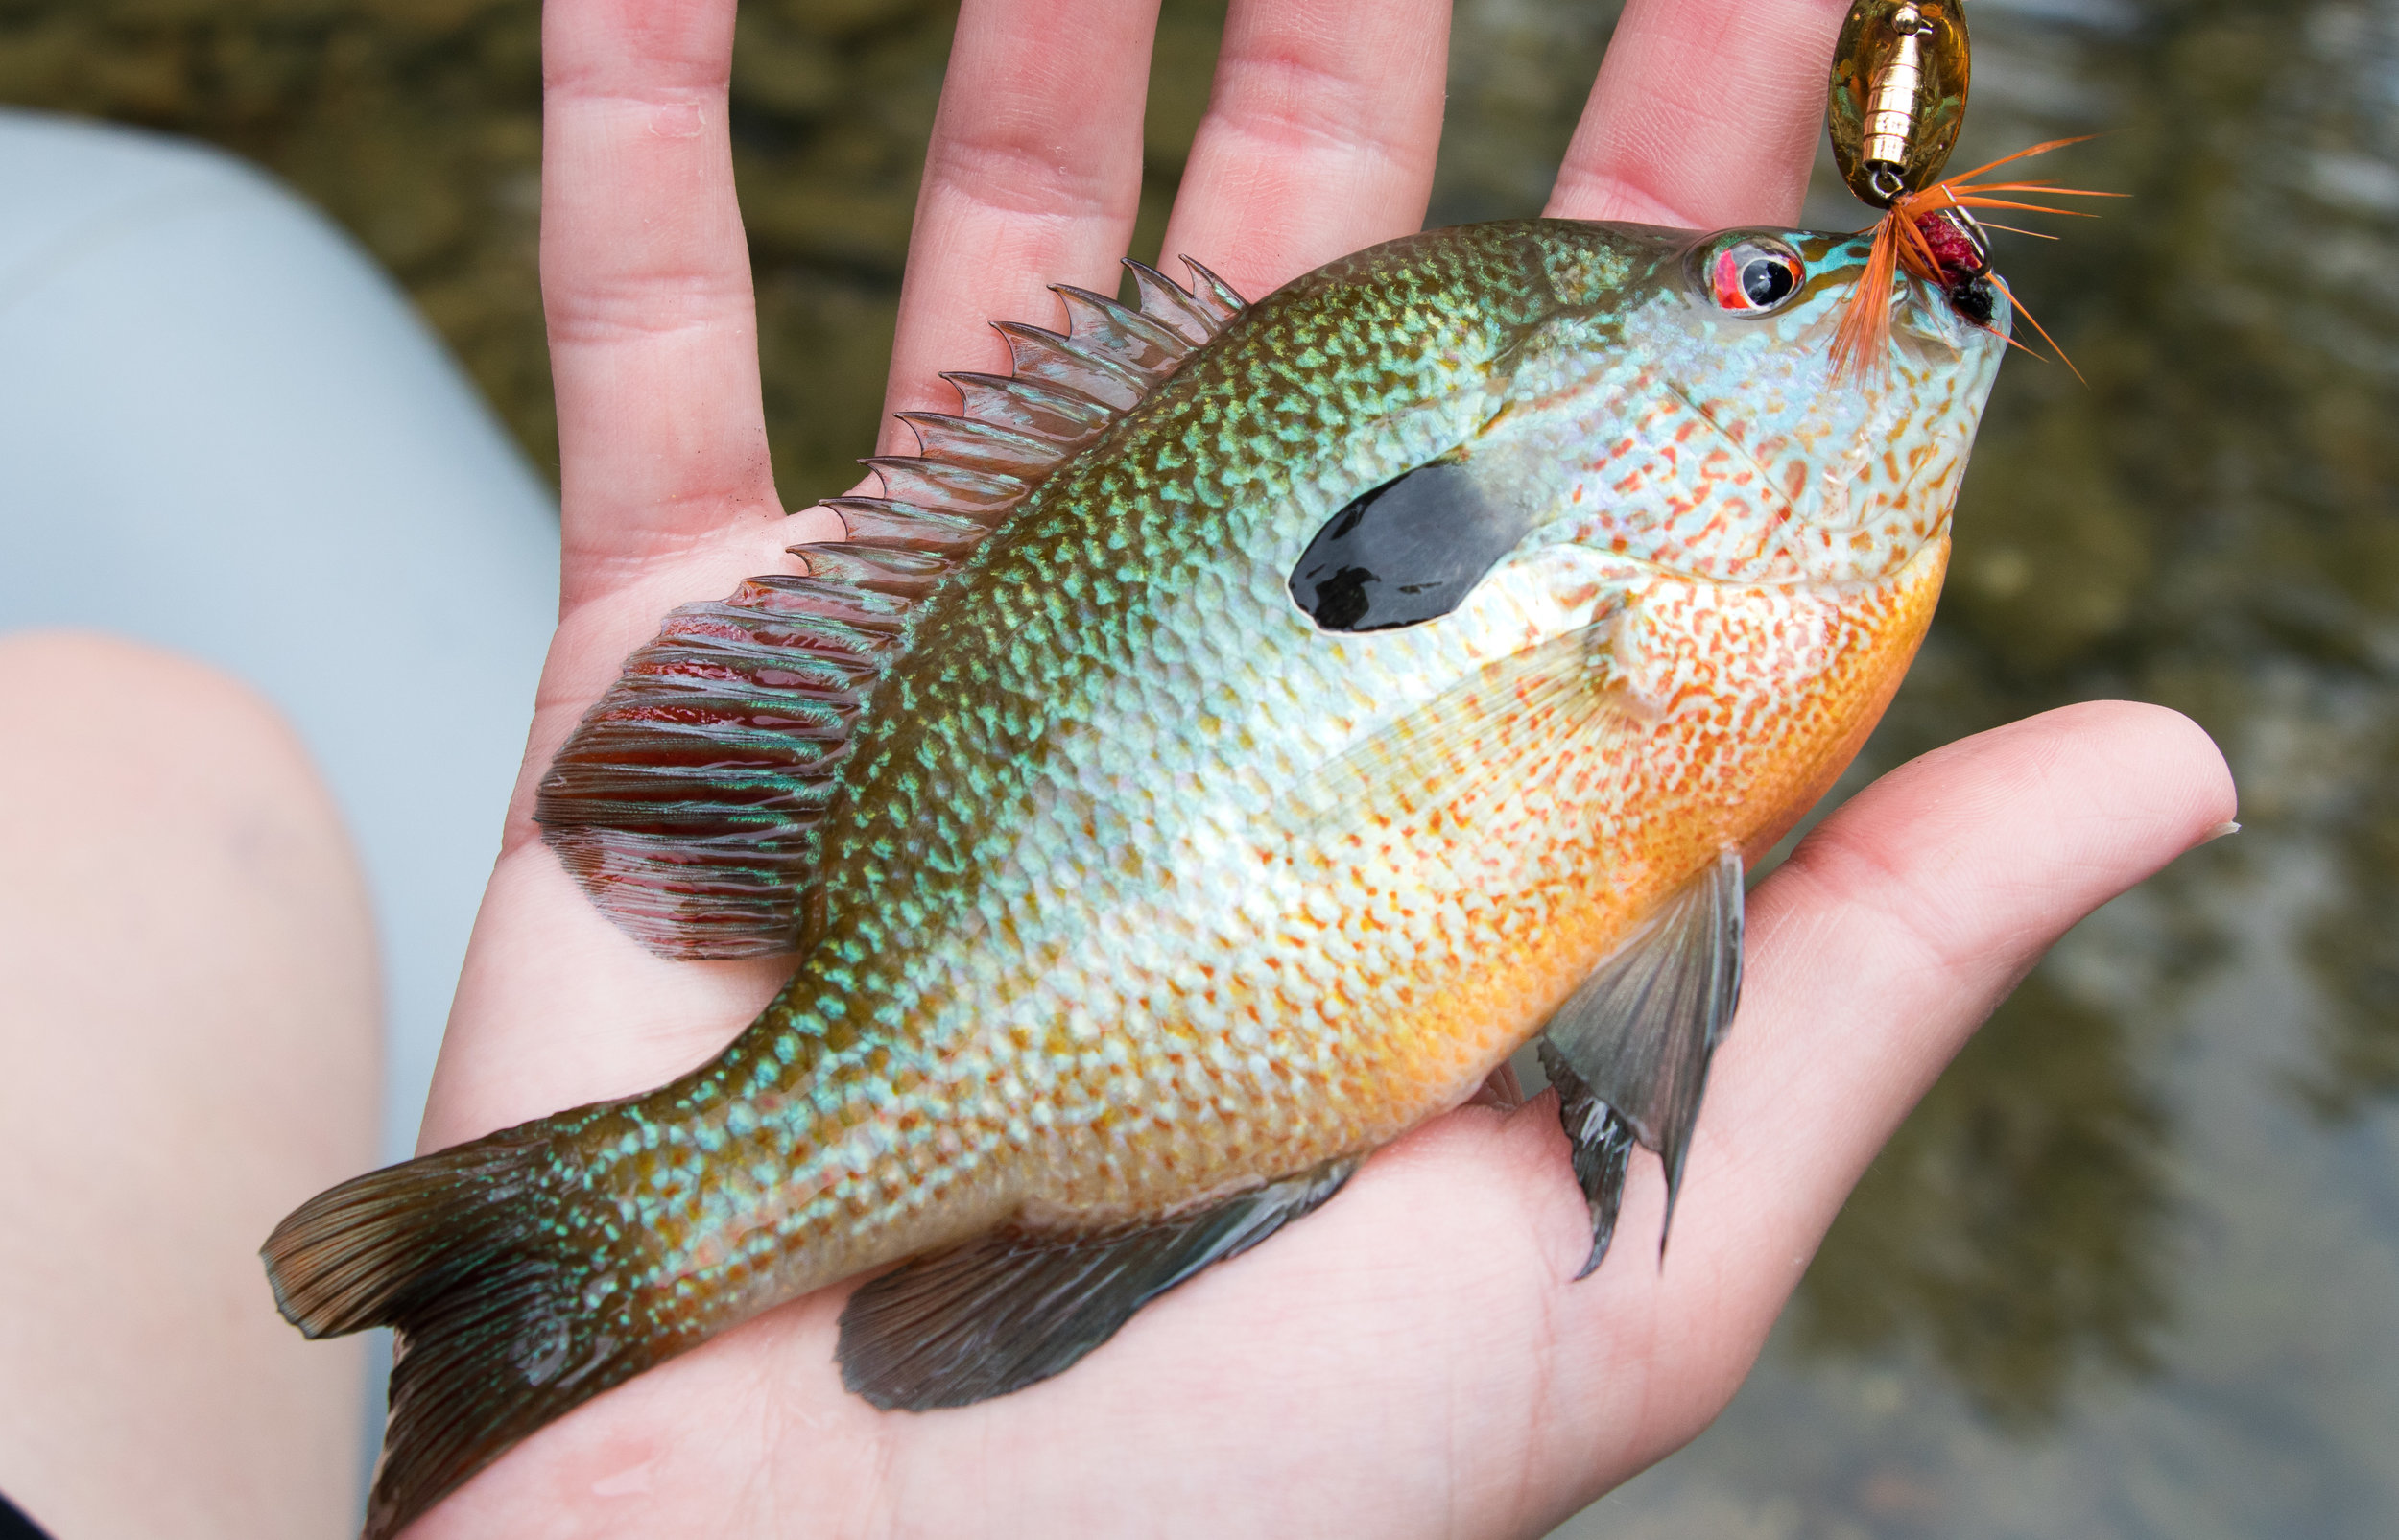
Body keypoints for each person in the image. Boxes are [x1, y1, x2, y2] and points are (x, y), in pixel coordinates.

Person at [0, 0, 2236, 1535]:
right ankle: (623, 1231)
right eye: (1762, 282)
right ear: (1537, 431)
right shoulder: (1608, 544)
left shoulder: (1698, 606)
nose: (1844, 281)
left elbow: (1633, 889)